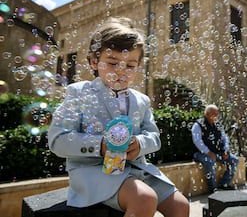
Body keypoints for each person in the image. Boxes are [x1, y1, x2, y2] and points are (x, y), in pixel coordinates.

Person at [48, 17, 189, 217]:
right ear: (94, 61)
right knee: (144, 199)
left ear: (138, 66)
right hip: (93, 172)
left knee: (180, 206)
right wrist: (100, 145)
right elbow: (57, 140)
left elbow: (154, 137)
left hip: (136, 169)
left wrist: (139, 144)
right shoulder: (79, 93)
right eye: (113, 63)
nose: (121, 71)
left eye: (130, 66)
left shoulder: (141, 100)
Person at [191, 104, 239, 193]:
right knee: (209, 161)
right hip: (201, 153)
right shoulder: (198, 125)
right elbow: (197, 141)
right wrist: (208, 152)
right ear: (207, 114)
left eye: (217, 113)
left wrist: (225, 150)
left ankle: (224, 184)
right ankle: (212, 188)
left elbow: (224, 138)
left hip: (217, 152)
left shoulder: (218, 125)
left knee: (234, 160)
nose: (216, 116)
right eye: (214, 113)